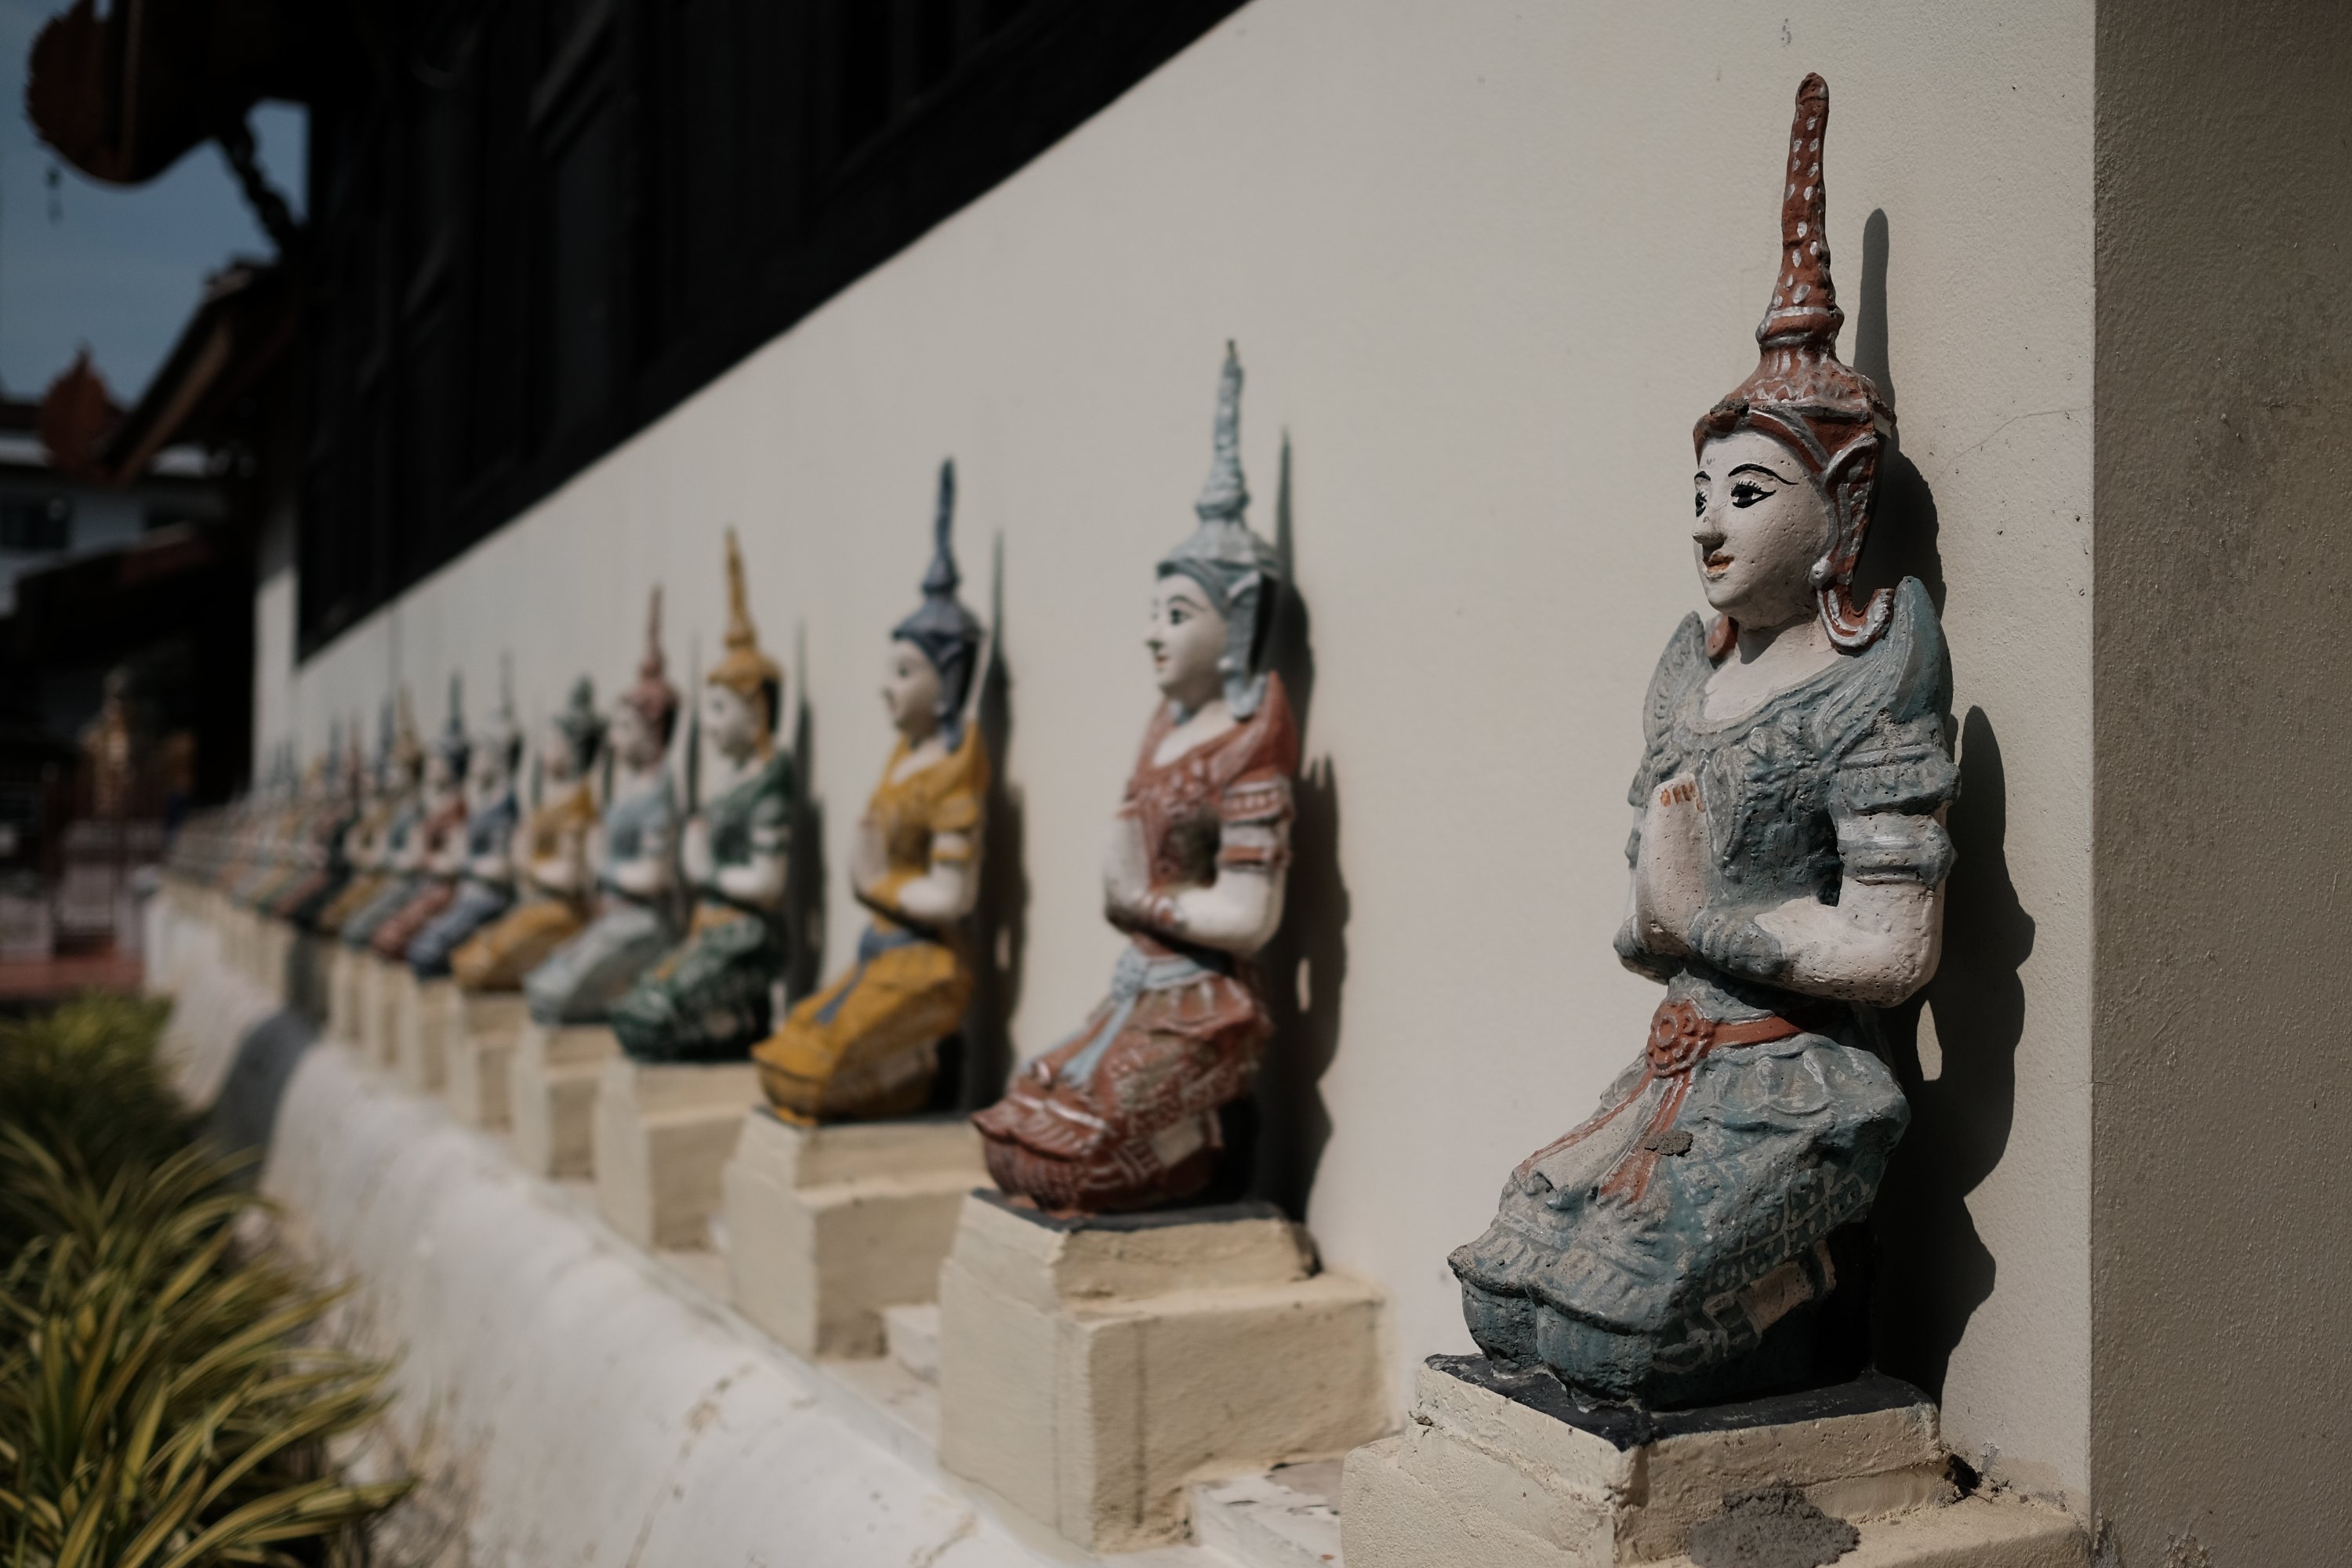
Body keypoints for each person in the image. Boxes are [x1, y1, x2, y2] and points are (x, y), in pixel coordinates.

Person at [1450, 74, 1958, 1408]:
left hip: (1804, 1079)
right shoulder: (1692, 679)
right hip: (1678, 1057)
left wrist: (1710, 924)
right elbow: (1648, 933)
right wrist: (1657, 915)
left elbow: (1896, 951)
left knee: (1617, 1338)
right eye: (1698, 493)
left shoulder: (1872, 678)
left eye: (1746, 491)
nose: (1707, 524)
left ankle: (1815, 1283)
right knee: (1504, 1290)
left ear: (1844, 500)